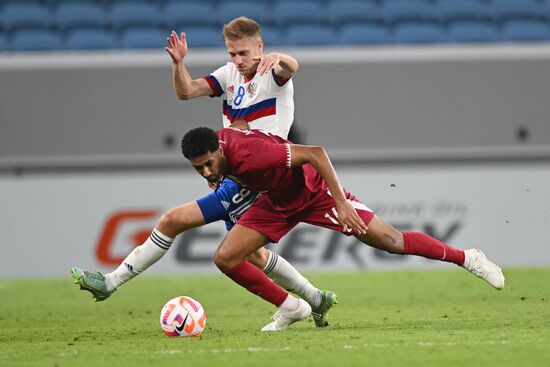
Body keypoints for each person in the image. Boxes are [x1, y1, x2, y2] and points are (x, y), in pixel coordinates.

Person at [71, 17, 337, 329]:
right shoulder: (229, 75)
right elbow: (186, 92)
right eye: (231, 53)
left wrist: (278, 57)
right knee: (253, 255)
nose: (236, 60)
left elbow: (291, 67)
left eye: (242, 53)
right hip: (234, 172)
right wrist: (178, 63)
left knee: (180, 224)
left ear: (259, 48)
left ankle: (111, 282)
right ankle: (314, 300)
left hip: (257, 175)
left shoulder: (271, 73)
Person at [180, 126, 506, 332]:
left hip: (315, 195)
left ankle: (468, 258)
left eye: (209, 163)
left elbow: (316, 154)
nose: (206, 171)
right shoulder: (219, 144)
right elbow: (240, 126)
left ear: (220, 150)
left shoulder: (254, 155)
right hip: (275, 203)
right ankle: (291, 307)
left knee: (391, 241)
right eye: (199, 168)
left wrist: (341, 202)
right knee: (226, 257)